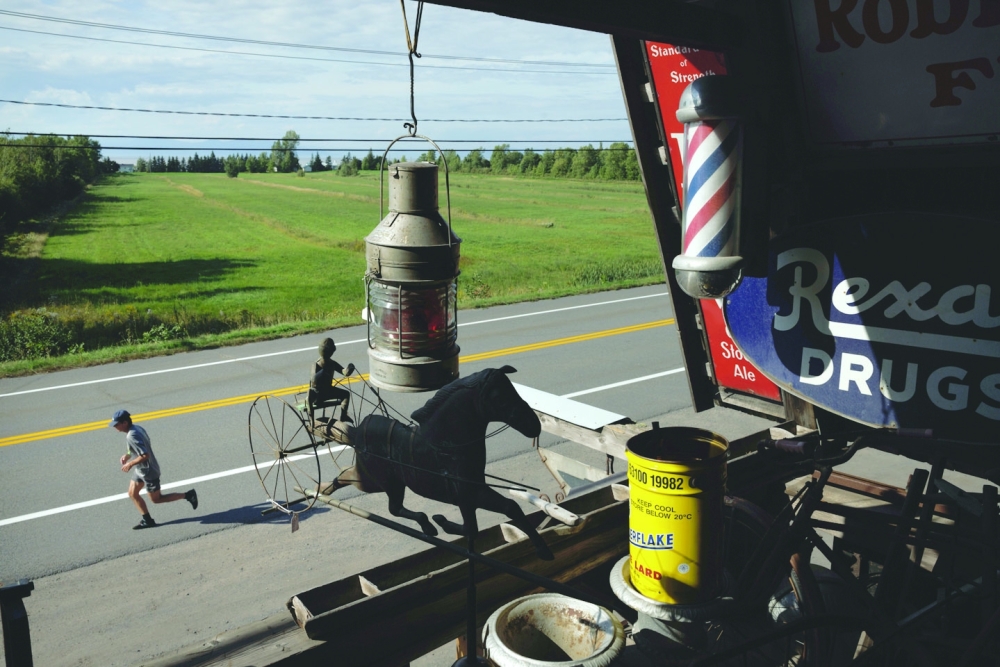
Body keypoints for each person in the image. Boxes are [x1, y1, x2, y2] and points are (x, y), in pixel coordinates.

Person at [110, 409, 198, 530]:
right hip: (141, 469)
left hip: (149, 471)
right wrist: (128, 455)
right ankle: (147, 520)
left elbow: (145, 455)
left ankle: (188, 495)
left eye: (116, 424)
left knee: (157, 499)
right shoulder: (136, 428)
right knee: (132, 493)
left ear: (124, 423)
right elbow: (136, 447)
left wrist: (130, 464)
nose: (114, 427)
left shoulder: (132, 435)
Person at [309, 338, 354, 424]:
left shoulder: (332, 363)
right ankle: (312, 420)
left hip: (328, 391)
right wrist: (323, 372)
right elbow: (313, 381)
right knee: (345, 394)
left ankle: (343, 416)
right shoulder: (317, 364)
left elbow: (344, 372)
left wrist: (349, 368)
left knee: (346, 394)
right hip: (317, 395)